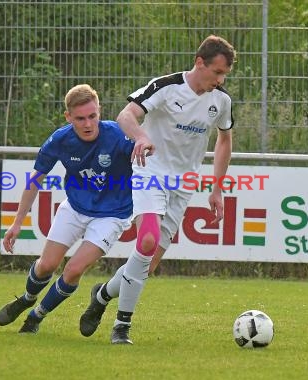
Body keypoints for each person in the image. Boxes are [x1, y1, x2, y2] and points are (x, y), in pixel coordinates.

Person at [79, 35, 236, 344]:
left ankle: (102, 294)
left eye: (224, 76)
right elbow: (126, 115)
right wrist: (139, 136)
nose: (219, 80)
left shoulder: (221, 101)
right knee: (147, 240)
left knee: (146, 264)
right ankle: (121, 327)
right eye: (216, 72)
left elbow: (225, 140)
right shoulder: (166, 86)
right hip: (150, 173)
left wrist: (217, 189)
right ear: (199, 62)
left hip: (184, 184)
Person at [0, 84, 134, 335]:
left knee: (73, 271)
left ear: (99, 111)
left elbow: (150, 162)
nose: (88, 123)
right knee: (46, 265)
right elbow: (35, 180)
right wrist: (17, 223)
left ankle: (36, 317)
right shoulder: (60, 139)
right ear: (68, 117)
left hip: (113, 214)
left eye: (93, 116)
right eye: (80, 118)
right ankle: (27, 298)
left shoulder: (118, 135)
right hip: (75, 207)